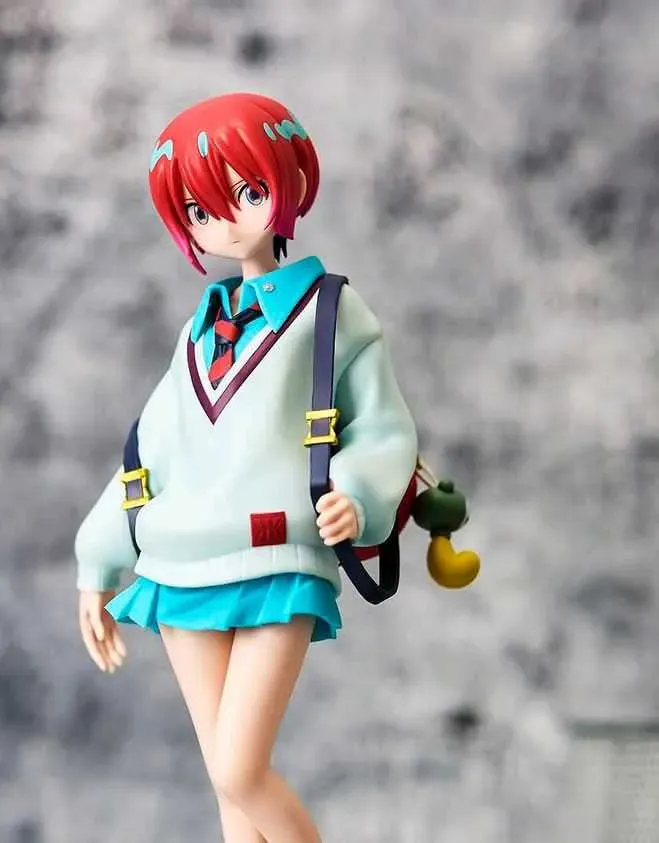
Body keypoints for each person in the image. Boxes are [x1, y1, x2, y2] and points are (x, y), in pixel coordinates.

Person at [75, 92, 418, 843]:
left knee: (239, 769)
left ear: (286, 185)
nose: (226, 221)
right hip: (178, 561)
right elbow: (148, 454)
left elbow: (382, 427)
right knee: (228, 795)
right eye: (200, 210)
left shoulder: (332, 312)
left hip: (276, 553)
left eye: (248, 193)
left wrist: (356, 494)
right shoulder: (199, 332)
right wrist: (96, 560)